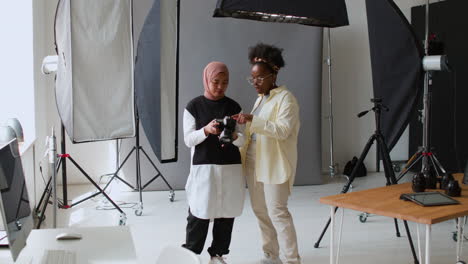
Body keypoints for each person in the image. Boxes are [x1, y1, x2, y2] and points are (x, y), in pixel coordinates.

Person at [233, 43, 301, 264]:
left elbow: (282, 131)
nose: (255, 83)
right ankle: (271, 254)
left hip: (274, 163)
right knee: (260, 211)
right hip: (253, 161)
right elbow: (256, 133)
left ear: (274, 74)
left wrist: (253, 119)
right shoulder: (260, 99)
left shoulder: (286, 99)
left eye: (260, 78)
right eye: (252, 78)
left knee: (278, 213)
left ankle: (292, 260)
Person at [182, 61, 245, 264]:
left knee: (226, 214)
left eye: (225, 82)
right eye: (215, 81)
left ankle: (217, 255)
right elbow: (188, 140)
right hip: (204, 168)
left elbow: (245, 141)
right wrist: (206, 130)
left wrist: (234, 136)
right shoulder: (193, 106)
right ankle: (190, 254)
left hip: (230, 168)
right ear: (206, 80)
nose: (220, 87)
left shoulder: (234, 107)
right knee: (199, 213)